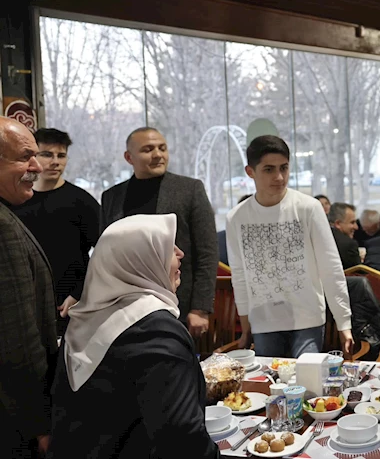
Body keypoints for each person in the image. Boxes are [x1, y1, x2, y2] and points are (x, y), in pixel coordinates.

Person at [49, 214, 219, 458]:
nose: (180, 253)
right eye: (167, 247)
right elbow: (181, 439)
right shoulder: (157, 332)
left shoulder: (81, 321)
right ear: (139, 260)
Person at [226, 136, 353, 358]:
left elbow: (330, 267)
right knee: (269, 384)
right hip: (263, 320)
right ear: (250, 171)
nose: (279, 177)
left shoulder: (308, 208)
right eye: (268, 169)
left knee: (306, 382)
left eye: (284, 168)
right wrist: (245, 324)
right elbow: (239, 275)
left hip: (308, 317)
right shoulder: (237, 217)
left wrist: (344, 323)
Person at [100, 127, 217, 338]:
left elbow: (207, 252)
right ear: (129, 157)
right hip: (125, 307)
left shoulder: (189, 190)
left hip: (178, 302)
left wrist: (200, 308)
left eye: (162, 148)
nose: (158, 155)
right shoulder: (112, 196)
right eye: (148, 149)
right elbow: (106, 255)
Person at [0, 117, 58, 459]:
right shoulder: (3, 229)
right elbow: (17, 339)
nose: (37, 166)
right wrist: (43, 423)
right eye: (25, 156)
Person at [13, 128, 100, 336]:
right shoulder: (16, 199)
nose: (56, 162)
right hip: (25, 302)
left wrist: (80, 293)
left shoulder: (82, 202)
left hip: (71, 303)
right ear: (32, 157)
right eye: (47, 154)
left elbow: (106, 252)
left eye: (61, 155)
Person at [329, 202, 361, 269]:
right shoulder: (349, 245)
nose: (356, 227)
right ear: (338, 224)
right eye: (352, 222)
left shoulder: (317, 238)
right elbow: (358, 274)